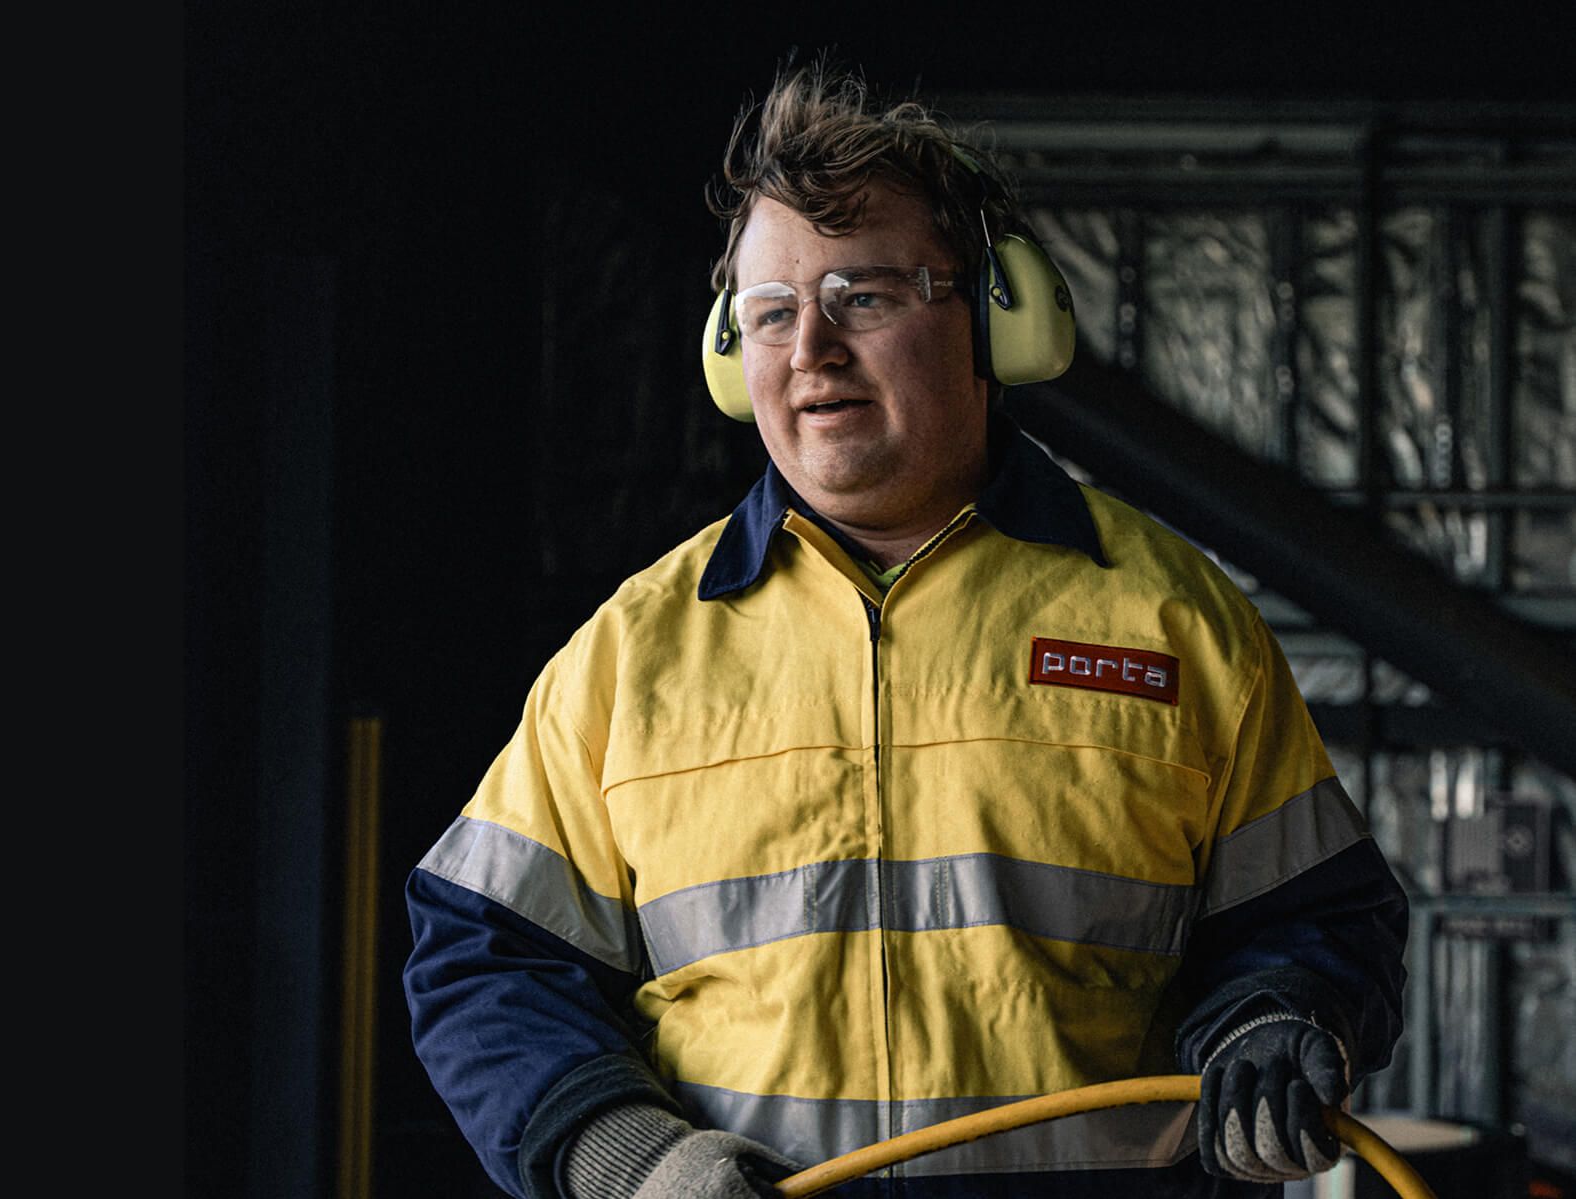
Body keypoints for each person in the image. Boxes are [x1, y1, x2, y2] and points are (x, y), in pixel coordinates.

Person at [404, 61, 1407, 1199]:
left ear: (993, 318)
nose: (809, 352)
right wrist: (626, 1152)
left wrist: (1277, 1020)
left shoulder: (1176, 622)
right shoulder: (636, 653)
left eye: (864, 296)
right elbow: (483, 954)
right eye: (770, 314)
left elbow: (1321, 916)